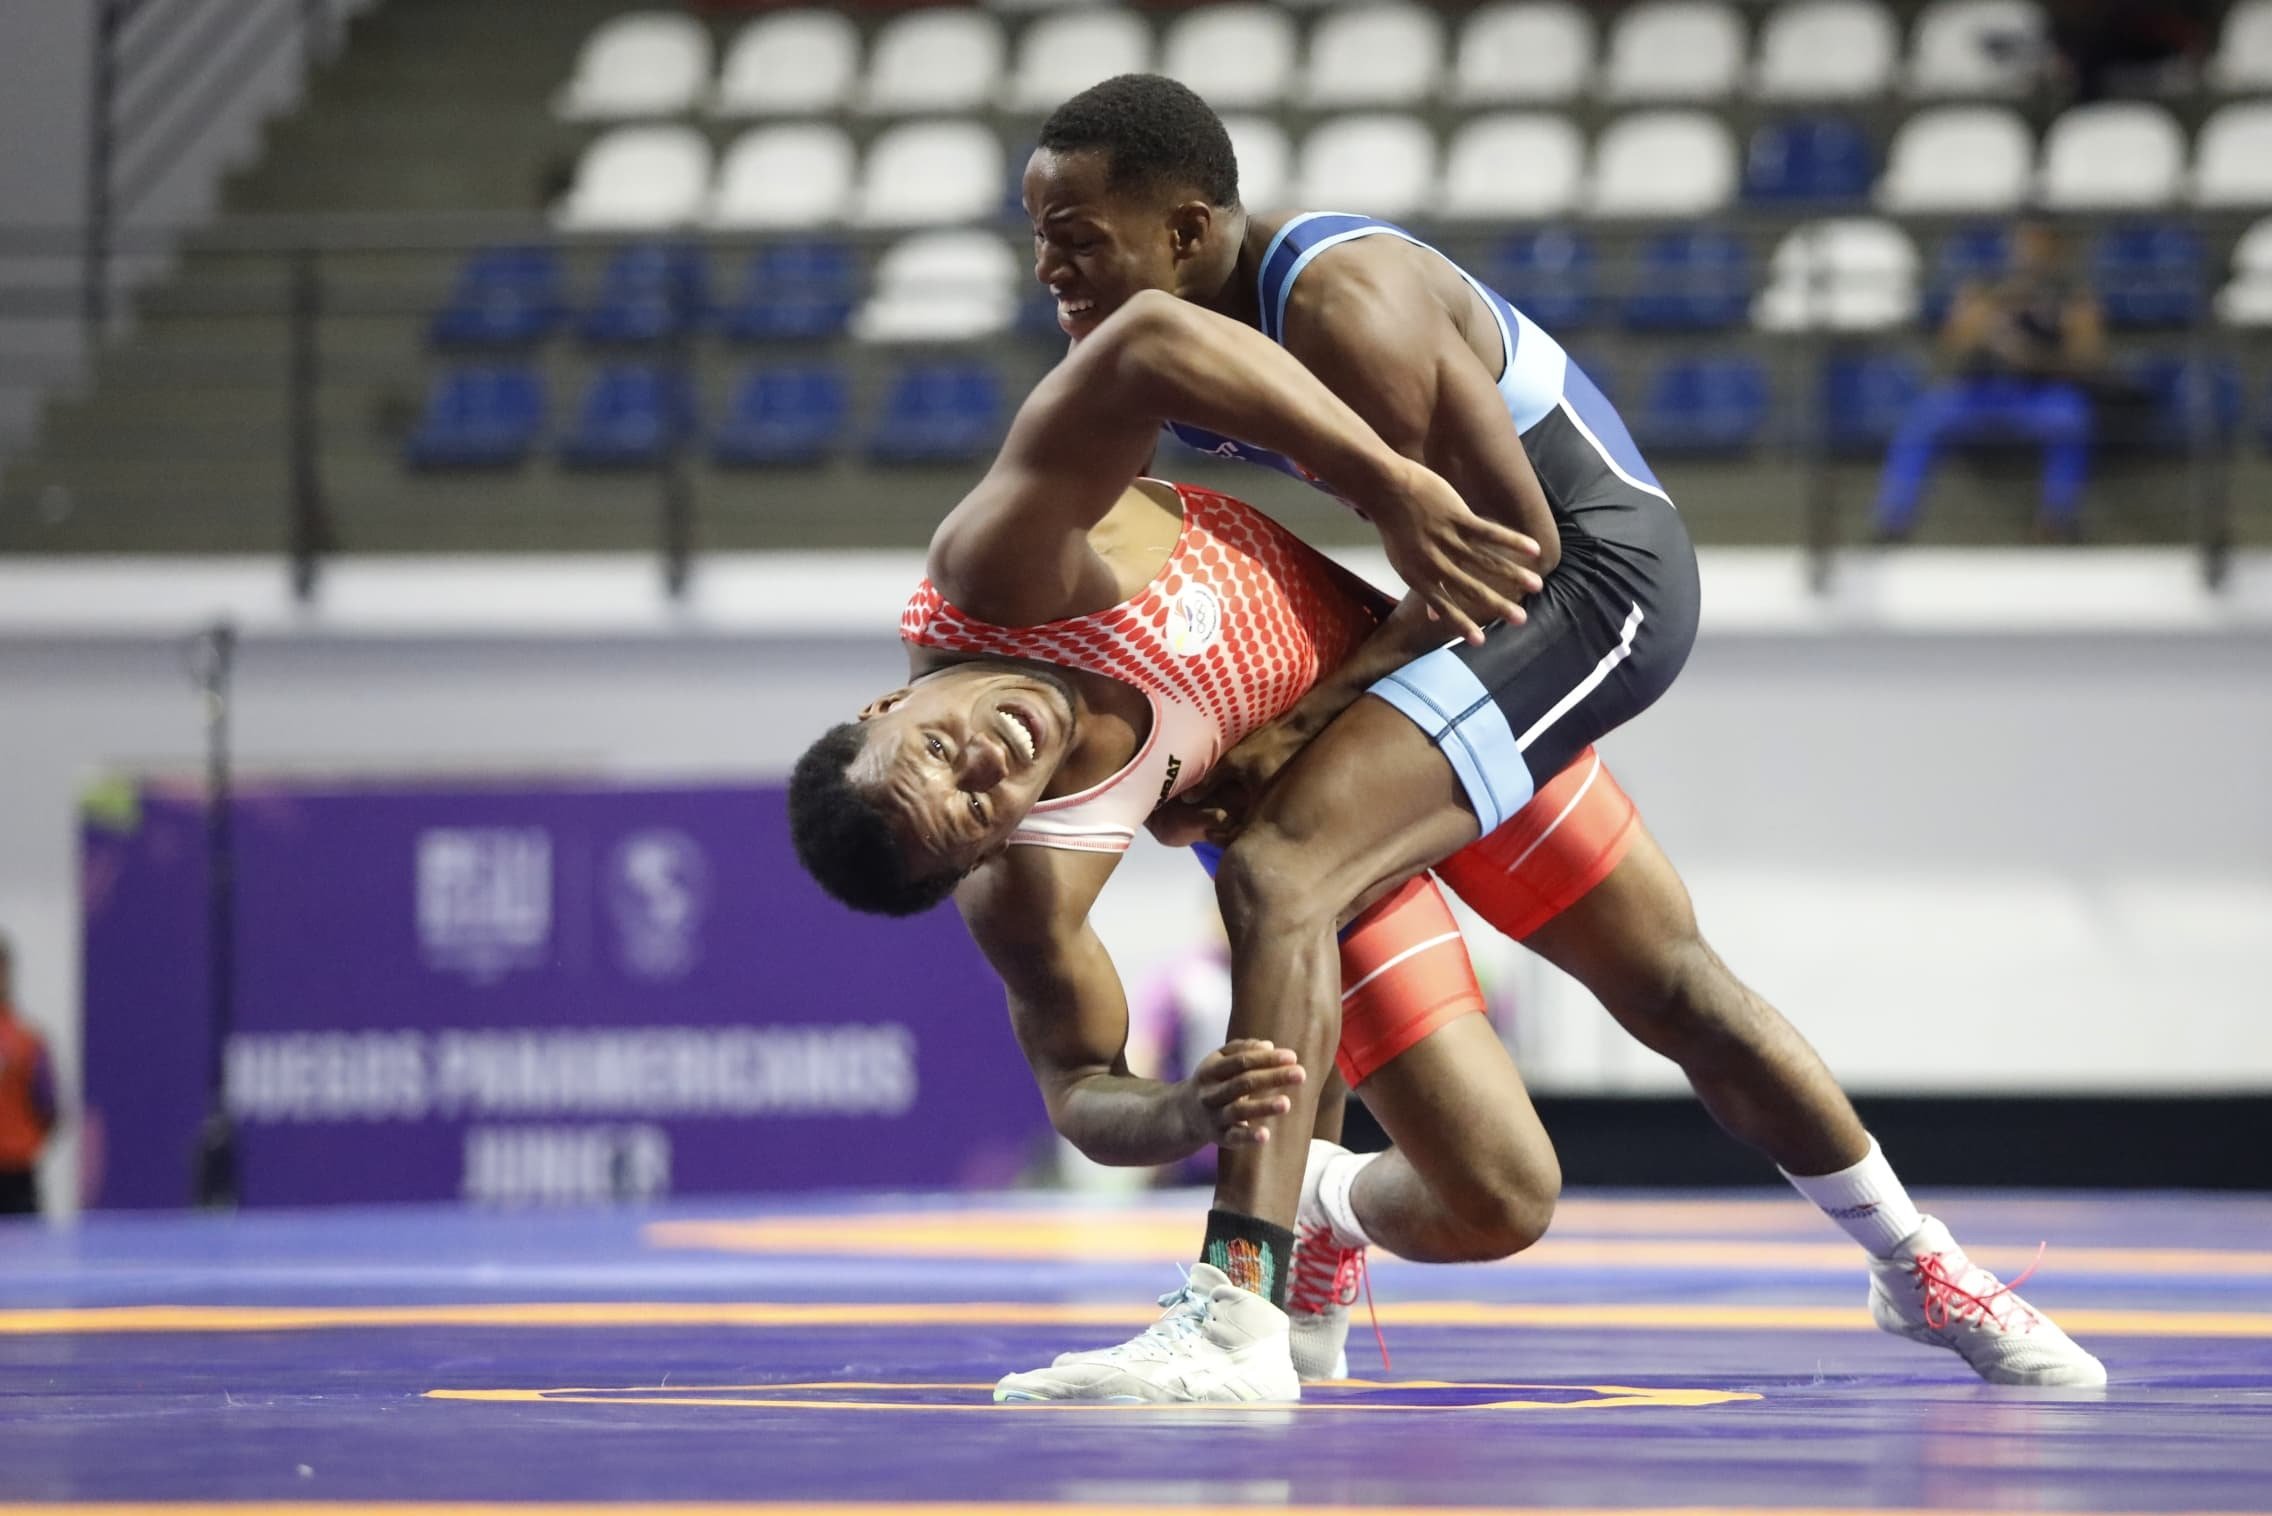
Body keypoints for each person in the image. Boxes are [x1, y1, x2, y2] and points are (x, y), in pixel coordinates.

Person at [792, 272, 1626, 1396]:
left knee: (1672, 982)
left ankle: (1896, 1240)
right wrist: (1186, 1108)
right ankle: (1314, 1207)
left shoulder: (1000, 571)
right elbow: (1081, 1090)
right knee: (1503, 1198)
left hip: (1425, 680)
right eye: (978, 812)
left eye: (940, 753)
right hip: (1312, 836)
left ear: (884, 707)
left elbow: (1145, 338)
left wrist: (1384, 484)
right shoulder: (1028, 895)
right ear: (986, 854)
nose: (991, 762)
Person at [1873, 213, 2106, 544]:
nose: (2031, 251)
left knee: (2071, 416)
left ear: (2057, 248)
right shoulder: (1985, 285)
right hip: (1978, 393)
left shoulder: (2072, 294)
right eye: (2024, 241)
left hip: (2038, 394)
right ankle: (1894, 521)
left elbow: (2089, 357)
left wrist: (2036, 355)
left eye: (2041, 242)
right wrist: (1991, 309)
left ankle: (2058, 519)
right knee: (1924, 417)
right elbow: (1952, 348)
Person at [0, 933, 60, 1217]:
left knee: (27, 1257)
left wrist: (23, 1143)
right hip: (18, 1175)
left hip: (18, 1178)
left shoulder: (30, 1042)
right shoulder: (30, 1041)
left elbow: (48, 1107)